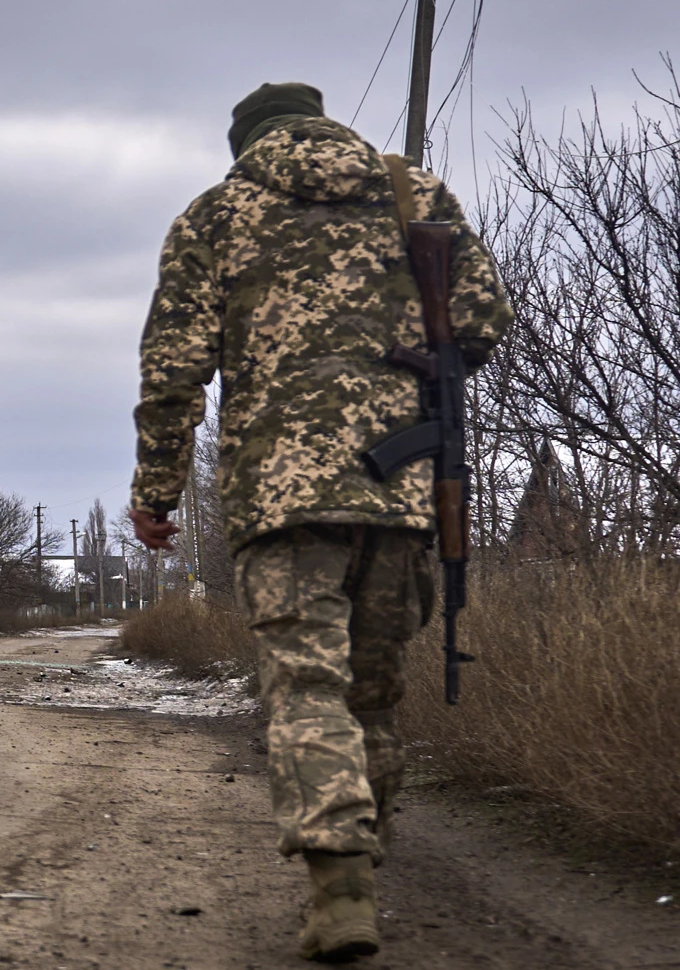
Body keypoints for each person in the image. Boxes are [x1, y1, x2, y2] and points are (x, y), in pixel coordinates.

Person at [129, 83, 512, 962]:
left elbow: (173, 370)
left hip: (282, 497)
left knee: (306, 685)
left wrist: (155, 491)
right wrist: (408, 362)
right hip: (406, 489)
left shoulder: (217, 213)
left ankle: (341, 885)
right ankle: (366, 858)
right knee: (373, 693)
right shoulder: (414, 194)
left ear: (245, 144)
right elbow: (486, 320)